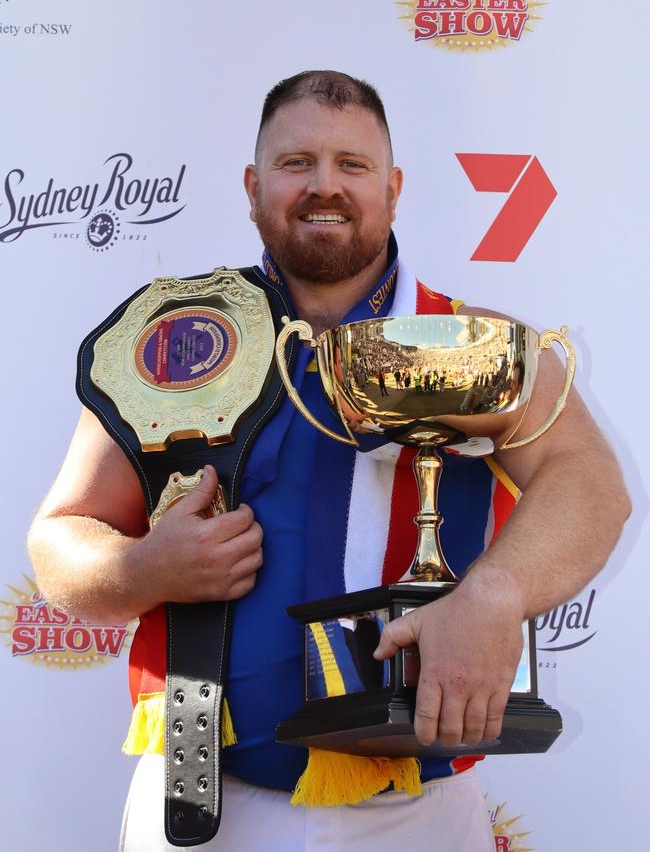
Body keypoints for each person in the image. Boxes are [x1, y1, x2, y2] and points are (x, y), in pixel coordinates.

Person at [27, 71, 629, 852]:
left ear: (394, 186)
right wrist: (144, 566)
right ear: (252, 186)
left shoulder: (473, 341)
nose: (325, 186)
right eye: (296, 163)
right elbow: (60, 536)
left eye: (352, 165)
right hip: (199, 798)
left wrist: (495, 595)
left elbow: (591, 483)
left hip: (416, 805)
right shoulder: (173, 339)